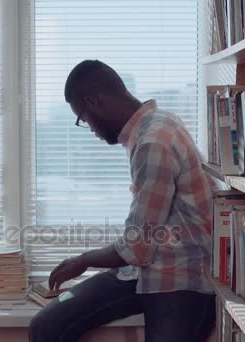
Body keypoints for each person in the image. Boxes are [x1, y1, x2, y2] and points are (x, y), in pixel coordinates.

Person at [28, 60, 215, 342]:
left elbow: (137, 245)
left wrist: (82, 261)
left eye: (83, 118)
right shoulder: (155, 125)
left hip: (180, 280)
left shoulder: (154, 141)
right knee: (45, 326)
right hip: (139, 273)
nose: (89, 128)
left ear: (94, 102)